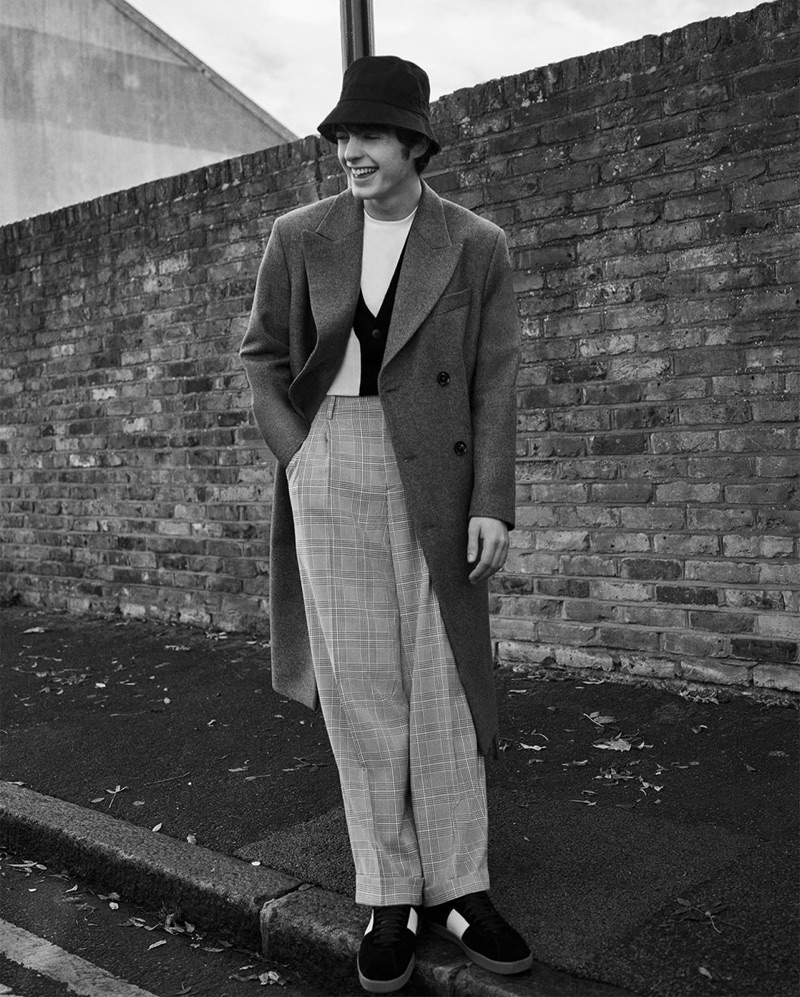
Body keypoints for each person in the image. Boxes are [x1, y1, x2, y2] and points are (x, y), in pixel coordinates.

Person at [240, 54, 532, 993]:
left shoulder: (475, 241)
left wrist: (494, 499)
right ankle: (388, 893)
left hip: (439, 473)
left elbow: (496, 379)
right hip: (334, 461)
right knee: (361, 686)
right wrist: (303, 454)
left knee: (442, 678)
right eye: (339, 137)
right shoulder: (300, 235)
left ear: (414, 142)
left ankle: (461, 883)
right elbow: (263, 357)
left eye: (367, 135)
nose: (349, 153)